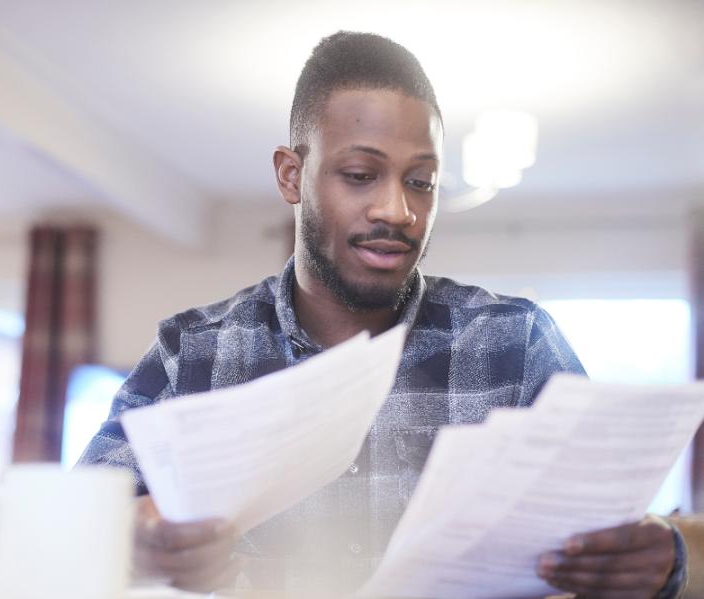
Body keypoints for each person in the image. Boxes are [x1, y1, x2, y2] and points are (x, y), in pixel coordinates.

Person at [79, 31, 686, 598]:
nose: (398, 211)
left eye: (421, 182)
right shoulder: (193, 352)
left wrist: (656, 560)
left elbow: (614, 536)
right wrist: (137, 545)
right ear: (292, 175)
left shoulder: (516, 341)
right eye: (361, 175)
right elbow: (78, 526)